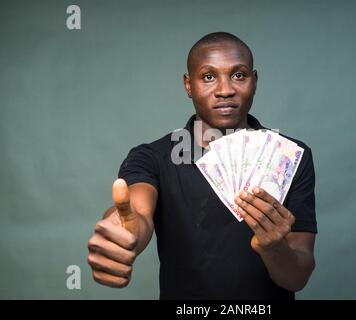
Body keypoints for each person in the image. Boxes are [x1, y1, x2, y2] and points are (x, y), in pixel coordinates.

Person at [87, 32, 317, 300]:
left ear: (255, 81)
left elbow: (298, 277)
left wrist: (274, 248)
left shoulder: (292, 157)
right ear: (188, 85)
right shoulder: (152, 157)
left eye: (239, 75)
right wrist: (124, 230)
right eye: (208, 76)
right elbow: (137, 211)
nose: (225, 90)